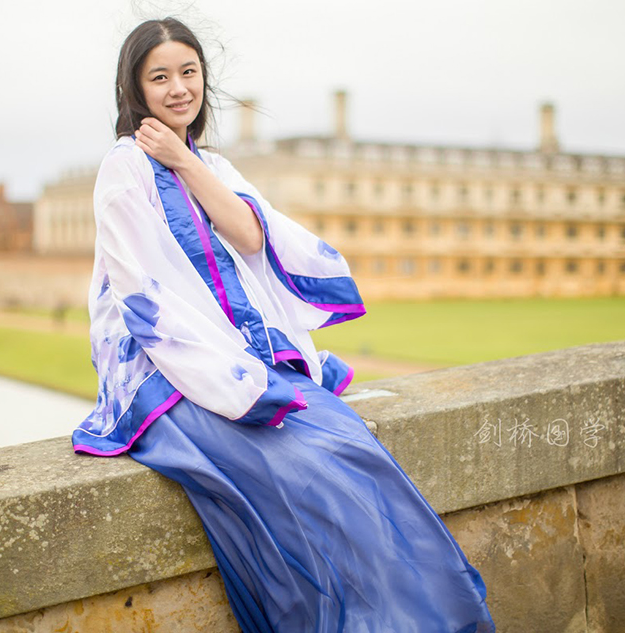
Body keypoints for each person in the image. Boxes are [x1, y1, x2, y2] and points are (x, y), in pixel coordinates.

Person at [72, 16, 495, 633]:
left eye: (188, 73)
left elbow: (248, 235)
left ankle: (435, 616)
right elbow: (143, 299)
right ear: (135, 89)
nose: (178, 88)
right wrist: (228, 381)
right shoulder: (122, 169)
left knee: (352, 449)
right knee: (303, 471)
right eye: (159, 77)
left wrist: (187, 165)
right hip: (169, 369)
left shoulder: (208, 162)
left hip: (236, 351)